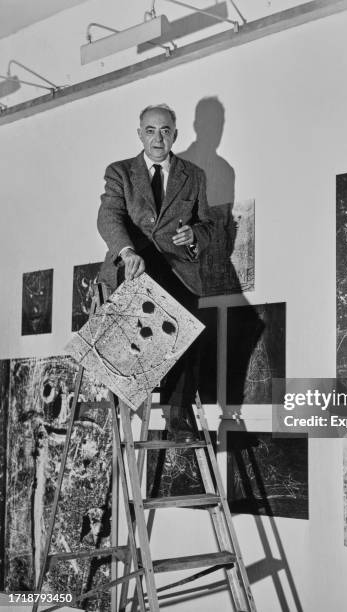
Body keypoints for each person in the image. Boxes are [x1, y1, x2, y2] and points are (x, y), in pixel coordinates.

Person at [97, 103, 214, 440]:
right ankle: (127, 393)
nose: (158, 138)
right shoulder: (119, 172)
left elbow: (207, 225)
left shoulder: (194, 175)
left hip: (178, 270)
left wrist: (194, 236)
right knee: (138, 334)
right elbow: (109, 216)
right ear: (140, 134)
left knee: (192, 330)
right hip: (135, 268)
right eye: (150, 130)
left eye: (165, 130)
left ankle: (177, 415)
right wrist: (128, 251)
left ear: (175, 134)